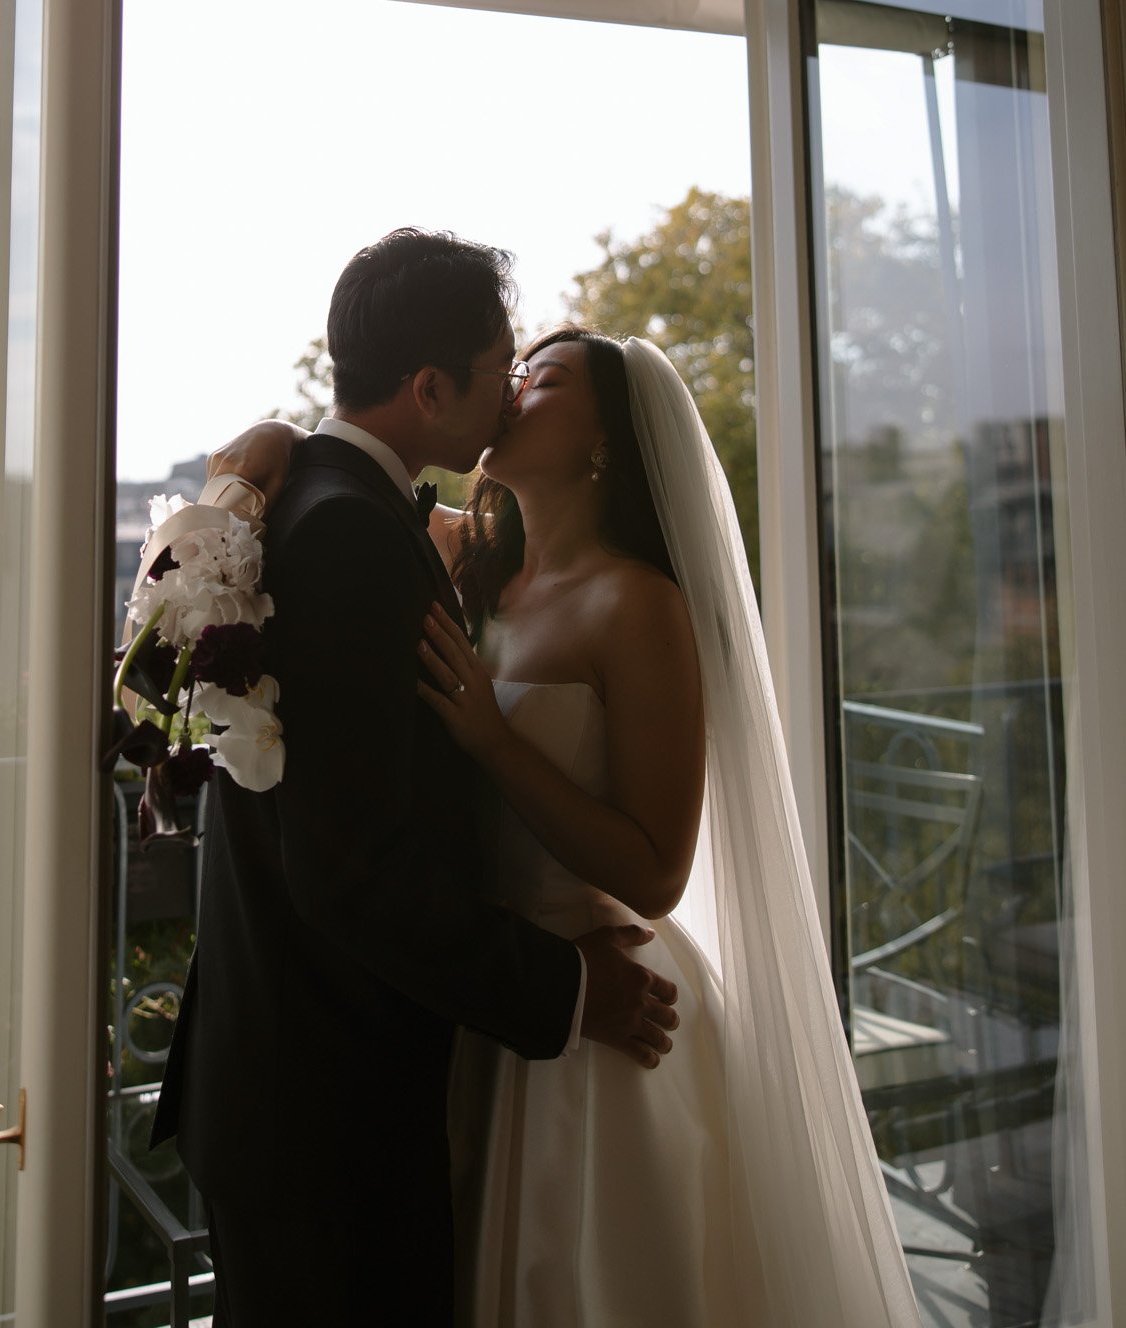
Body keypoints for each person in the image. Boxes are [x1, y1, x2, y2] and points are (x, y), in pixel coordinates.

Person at [211, 321, 924, 1327]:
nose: (509, 389)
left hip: (596, 1013)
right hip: (475, 992)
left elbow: (658, 872)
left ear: (605, 441)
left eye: (539, 378)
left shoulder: (639, 605)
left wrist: (495, 742)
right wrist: (270, 438)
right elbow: (350, 480)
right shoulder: (465, 557)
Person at [151, 234, 680, 1328]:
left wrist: (263, 449)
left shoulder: (342, 507)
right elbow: (353, 873)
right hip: (329, 1103)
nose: (510, 397)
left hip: (321, 1076)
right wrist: (571, 990)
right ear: (431, 387)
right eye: (503, 371)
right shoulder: (348, 528)